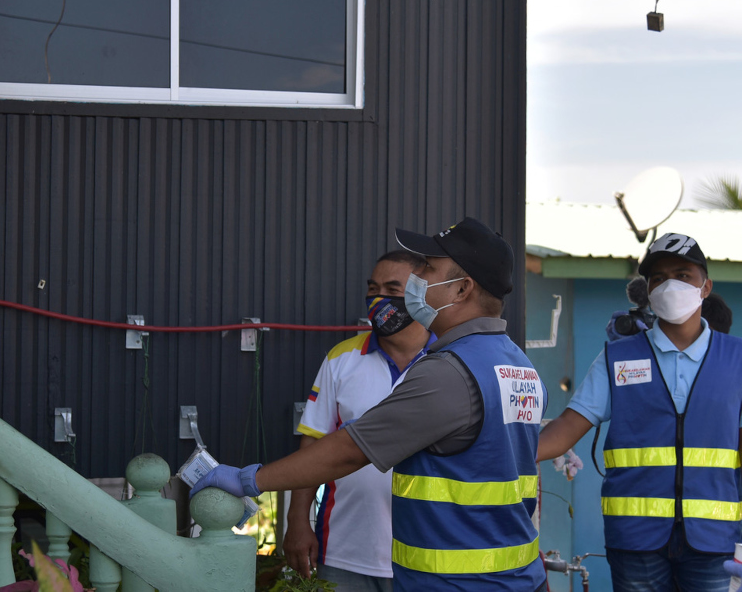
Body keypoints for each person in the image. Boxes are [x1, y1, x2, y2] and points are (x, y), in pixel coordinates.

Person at [193, 217, 548, 592]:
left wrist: (250, 480)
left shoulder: (449, 372)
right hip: (517, 575)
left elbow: (350, 450)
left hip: (457, 582)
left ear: (461, 289)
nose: (417, 279)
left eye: (428, 267)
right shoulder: (517, 365)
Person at [538, 232, 742, 591]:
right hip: (635, 540)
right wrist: (502, 454)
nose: (670, 286)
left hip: (714, 538)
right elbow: (569, 426)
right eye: (659, 278)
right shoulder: (618, 357)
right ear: (647, 291)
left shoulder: (736, 358)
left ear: (705, 287)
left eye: (683, 275)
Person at [284, 250, 434, 591]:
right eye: (373, 288)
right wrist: (297, 520)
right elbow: (313, 445)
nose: (379, 299)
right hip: (345, 550)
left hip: (429, 555)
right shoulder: (342, 358)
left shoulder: (450, 361)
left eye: (393, 291)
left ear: (421, 295)